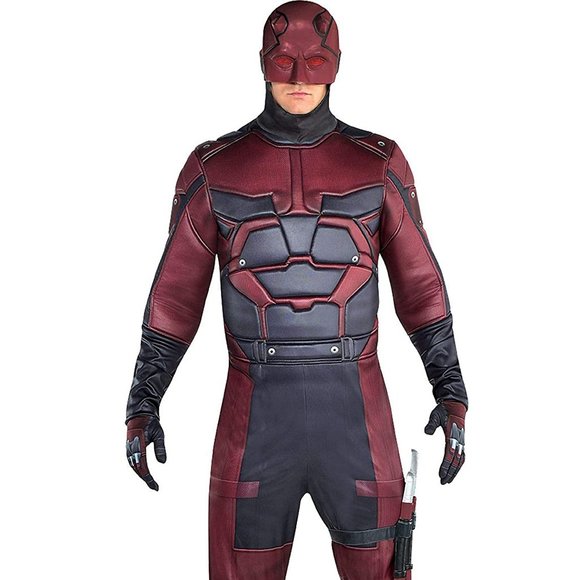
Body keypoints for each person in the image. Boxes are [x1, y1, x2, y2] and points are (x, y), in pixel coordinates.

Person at [124, 2, 469, 578]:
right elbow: (174, 299)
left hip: (358, 424)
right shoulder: (213, 168)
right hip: (254, 427)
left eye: (316, 61)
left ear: (338, 64)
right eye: (285, 61)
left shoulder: (379, 163)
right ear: (263, 62)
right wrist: (143, 401)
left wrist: (450, 390)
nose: (301, 77)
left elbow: (421, 288)